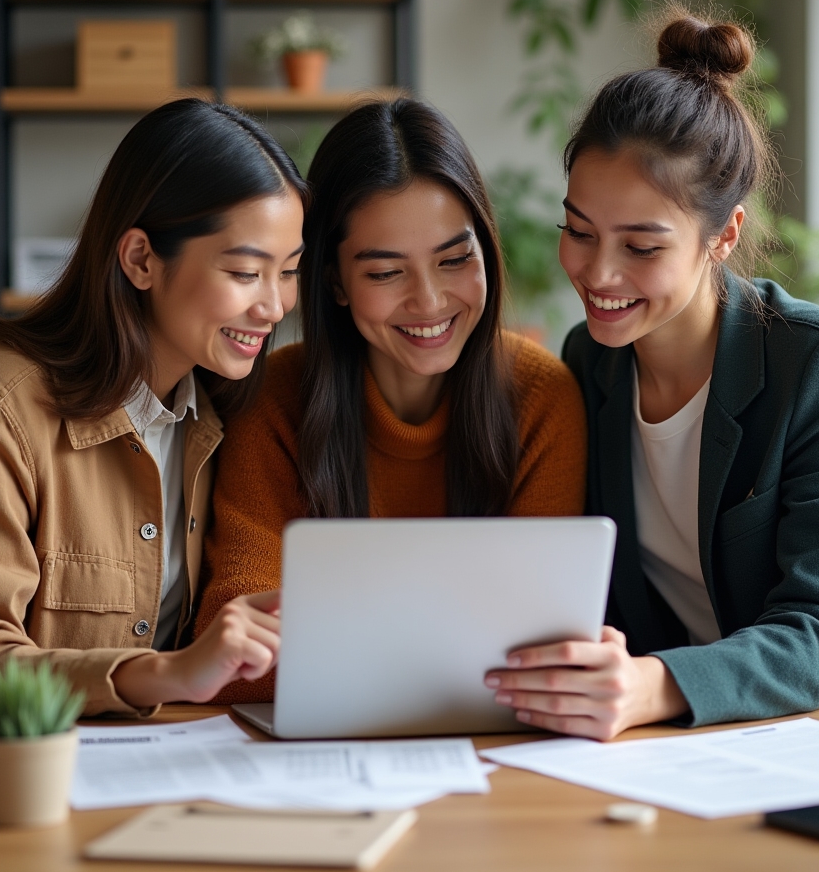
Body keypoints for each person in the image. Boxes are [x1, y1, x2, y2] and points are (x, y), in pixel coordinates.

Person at [485, 10, 819, 739]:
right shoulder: (589, 361)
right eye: (579, 231)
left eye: (641, 247)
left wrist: (651, 684)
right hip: (696, 742)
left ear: (724, 236)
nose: (598, 273)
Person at [0, 99, 306, 715]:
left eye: (290, 272)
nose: (274, 307)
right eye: (247, 273)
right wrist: (165, 674)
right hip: (32, 766)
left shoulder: (221, 415)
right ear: (141, 259)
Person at [194, 98, 587, 704]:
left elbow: (541, 651)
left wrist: (334, 646)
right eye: (385, 273)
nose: (429, 301)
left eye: (454, 260)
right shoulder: (271, 399)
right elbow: (239, 654)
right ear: (335, 281)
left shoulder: (540, 396)